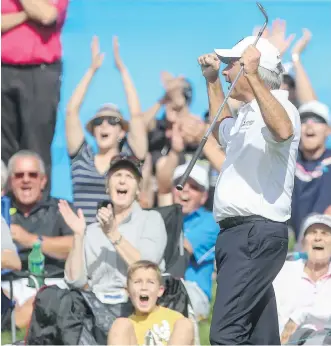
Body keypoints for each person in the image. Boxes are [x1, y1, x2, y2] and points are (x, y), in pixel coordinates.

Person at [198, 35, 301, 345]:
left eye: (232, 66)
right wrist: (213, 82)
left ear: (252, 69)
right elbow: (220, 130)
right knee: (262, 338)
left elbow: (283, 130)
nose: (228, 71)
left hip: (253, 236)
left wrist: (253, 75)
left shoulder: (281, 108)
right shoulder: (246, 113)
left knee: (226, 335)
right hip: (242, 238)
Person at [60, 154, 167, 325]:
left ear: (138, 189)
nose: (122, 181)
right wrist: (78, 235)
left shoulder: (151, 220)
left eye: (129, 176)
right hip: (96, 310)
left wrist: (112, 233)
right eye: (117, 175)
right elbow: (75, 280)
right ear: (107, 187)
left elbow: (148, 268)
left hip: (136, 307)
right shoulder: (92, 230)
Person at [66, 36, 147, 224]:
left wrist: (122, 70)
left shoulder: (130, 158)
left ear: (122, 132)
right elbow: (71, 111)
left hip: (120, 241)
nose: (104, 125)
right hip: (83, 240)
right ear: (93, 130)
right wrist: (92, 70)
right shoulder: (81, 156)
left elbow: (136, 115)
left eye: (112, 121)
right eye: (98, 122)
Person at [1, 150, 73, 328]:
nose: (26, 180)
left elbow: (75, 245)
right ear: (10, 181)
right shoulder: (2, 207)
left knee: (48, 297)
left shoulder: (59, 208)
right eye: (19, 175)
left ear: (43, 180)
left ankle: (16, 320)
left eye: (32, 174)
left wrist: (31, 240)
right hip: (9, 283)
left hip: (51, 280)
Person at [1, 0, 68, 184]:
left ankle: (40, 209)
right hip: (3, 69)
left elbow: (47, 15)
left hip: (40, 71)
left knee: (36, 147)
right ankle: (6, 206)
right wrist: (27, 14)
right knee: (3, 147)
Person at [157, 161, 219, 321]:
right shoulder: (161, 217)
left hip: (193, 292)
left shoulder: (210, 222)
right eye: (180, 184)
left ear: (204, 196)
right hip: (158, 286)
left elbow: (181, 249)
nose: (185, 190)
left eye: (194, 187)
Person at [273, 213, 331, 344]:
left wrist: (300, 316)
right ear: (303, 242)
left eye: (325, 233)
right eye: (312, 232)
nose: (318, 238)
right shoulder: (283, 271)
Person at [107, 260, 194, 345]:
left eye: (150, 282)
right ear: (128, 291)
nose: (144, 287)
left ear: (160, 290)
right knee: (120, 325)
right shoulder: (127, 328)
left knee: (185, 324)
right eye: (137, 282)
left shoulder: (176, 319)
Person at [291, 101, 331, 238]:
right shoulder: (285, 162)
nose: (309, 124)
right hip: (290, 251)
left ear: (328, 130)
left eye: (317, 120)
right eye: (303, 120)